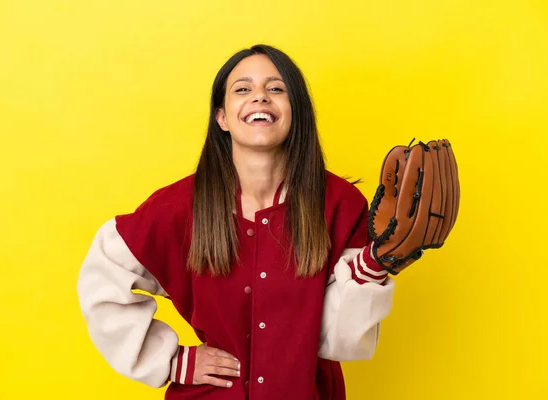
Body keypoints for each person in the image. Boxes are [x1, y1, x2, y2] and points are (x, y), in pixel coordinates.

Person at [76, 43, 396, 400]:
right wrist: (171, 360)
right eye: (243, 89)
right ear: (222, 117)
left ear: (297, 112)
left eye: (276, 89)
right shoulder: (180, 206)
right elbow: (103, 278)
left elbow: (339, 340)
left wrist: (372, 268)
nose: (260, 97)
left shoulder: (340, 204)